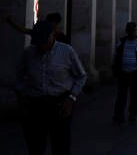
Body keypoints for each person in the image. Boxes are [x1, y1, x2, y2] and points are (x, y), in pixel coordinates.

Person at [16, 20, 87, 155]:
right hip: (35, 104)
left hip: (59, 103)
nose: (41, 46)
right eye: (38, 43)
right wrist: (21, 97)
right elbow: (19, 77)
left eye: (44, 42)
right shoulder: (28, 53)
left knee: (61, 144)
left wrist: (71, 98)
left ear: (52, 35)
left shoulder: (67, 51)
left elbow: (81, 76)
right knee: (35, 145)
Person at [112, 22, 137, 123]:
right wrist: (116, 70)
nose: (132, 32)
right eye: (130, 30)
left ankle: (133, 114)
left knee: (136, 96)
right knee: (121, 96)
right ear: (127, 31)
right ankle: (119, 115)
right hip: (123, 73)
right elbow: (116, 57)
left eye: (133, 30)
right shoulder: (121, 43)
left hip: (135, 73)